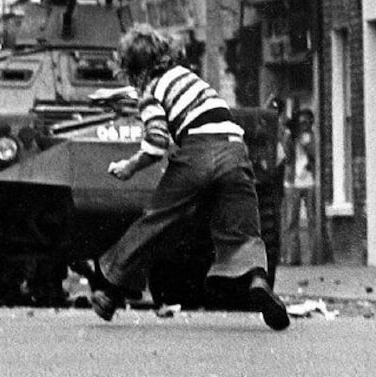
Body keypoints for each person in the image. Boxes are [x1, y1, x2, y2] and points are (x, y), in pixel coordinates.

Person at [89, 23, 289, 331]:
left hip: (196, 155)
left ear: (134, 70)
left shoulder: (149, 93)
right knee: (243, 229)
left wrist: (129, 166)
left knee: (155, 223)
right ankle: (258, 281)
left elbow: (156, 143)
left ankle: (111, 293)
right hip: (235, 151)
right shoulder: (188, 78)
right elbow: (160, 95)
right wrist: (123, 95)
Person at [280, 108, 318, 266]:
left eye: (307, 122)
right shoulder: (291, 136)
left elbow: (315, 154)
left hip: (310, 181)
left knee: (312, 220)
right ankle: (293, 258)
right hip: (292, 182)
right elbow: (286, 155)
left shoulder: (312, 137)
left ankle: (314, 258)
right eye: (301, 122)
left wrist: (306, 141)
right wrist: (290, 136)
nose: (304, 125)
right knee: (291, 222)